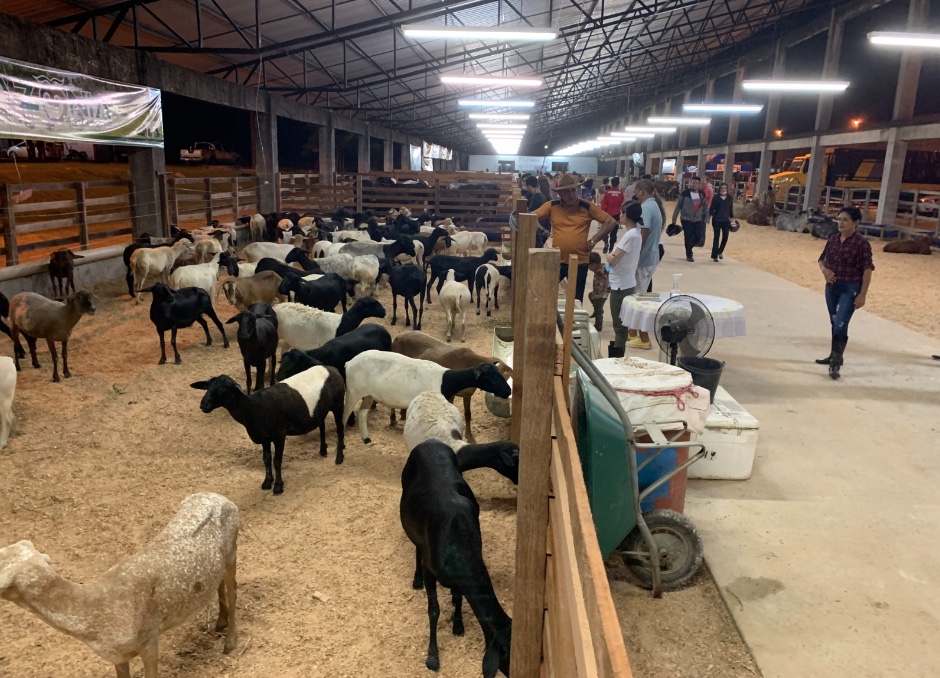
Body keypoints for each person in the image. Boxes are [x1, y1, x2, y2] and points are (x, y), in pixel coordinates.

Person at [533, 173, 618, 302]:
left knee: (576, 300)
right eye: (567, 192)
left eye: (573, 190)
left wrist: (594, 240)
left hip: (580, 262)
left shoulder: (587, 206)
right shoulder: (552, 206)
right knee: (546, 293)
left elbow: (610, 222)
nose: (572, 194)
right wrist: (542, 230)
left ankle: (572, 322)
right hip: (557, 260)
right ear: (560, 193)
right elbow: (530, 217)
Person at [815, 207, 874, 379]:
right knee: (835, 321)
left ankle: (835, 363)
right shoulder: (833, 240)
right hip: (832, 287)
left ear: (855, 223)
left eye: (845, 220)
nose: (840, 223)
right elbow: (821, 259)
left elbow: (867, 269)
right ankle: (835, 355)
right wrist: (825, 271)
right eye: (839, 219)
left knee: (841, 322)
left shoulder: (861, 243)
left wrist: (863, 294)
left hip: (850, 287)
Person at [625, 179, 663, 348]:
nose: (634, 194)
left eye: (636, 191)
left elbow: (644, 233)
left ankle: (644, 338)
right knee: (637, 296)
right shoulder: (654, 206)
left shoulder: (646, 208)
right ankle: (633, 332)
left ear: (641, 191)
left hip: (644, 259)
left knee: (638, 300)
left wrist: (634, 256)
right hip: (650, 257)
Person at [607, 201, 643, 349]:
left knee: (619, 327)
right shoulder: (634, 234)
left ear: (626, 215)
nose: (620, 215)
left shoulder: (630, 236)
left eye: (622, 213)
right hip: (623, 282)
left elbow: (613, 260)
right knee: (620, 326)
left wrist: (609, 258)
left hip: (621, 285)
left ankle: (618, 356)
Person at [671, 176, 708, 262]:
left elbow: (705, 207)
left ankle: (689, 246)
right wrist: (674, 218)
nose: (694, 185)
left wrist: (707, 217)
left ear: (699, 184)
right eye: (693, 182)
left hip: (698, 219)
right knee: (688, 236)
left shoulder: (702, 194)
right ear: (690, 183)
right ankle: (689, 254)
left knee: (698, 236)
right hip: (686, 218)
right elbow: (678, 206)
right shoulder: (685, 193)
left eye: (696, 183)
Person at [709, 182, 734, 262]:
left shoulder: (730, 198)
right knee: (716, 237)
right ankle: (715, 255)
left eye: (725, 188)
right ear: (719, 189)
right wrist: (712, 215)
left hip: (726, 221)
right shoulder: (716, 198)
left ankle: (720, 251)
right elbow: (711, 209)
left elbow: (730, 209)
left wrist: (732, 217)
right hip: (717, 220)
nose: (723, 189)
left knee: (725, 237)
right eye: (722, 188)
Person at [600, 176, 626, 254]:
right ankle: (611, 247)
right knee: (614, 232)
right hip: (617, 215)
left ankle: (605, 243)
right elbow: (623, 204)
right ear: (618, 184)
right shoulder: (621, 194)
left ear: (611, 184)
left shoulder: (607, 193)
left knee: (605, 230)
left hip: (607, 215)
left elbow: (603, 205)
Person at [587, 252, 609, 332]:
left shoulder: (600, 270)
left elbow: (609, 269)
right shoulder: (601, 267)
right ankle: (597, 310)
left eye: (589, 266)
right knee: (590, 296)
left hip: (601, 294)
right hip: (596, 292)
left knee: (598, 307)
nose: (588, 268)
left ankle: (598, 324)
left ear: (594, 264)